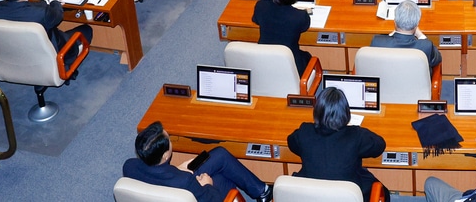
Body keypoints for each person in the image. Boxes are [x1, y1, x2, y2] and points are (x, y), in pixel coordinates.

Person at [125, 122, 271, 202]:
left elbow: (161, 179)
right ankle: (262, 192)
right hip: (192, 192)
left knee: (219, 155)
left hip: (167, 182)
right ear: (164, 156)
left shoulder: (129, 166)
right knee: (220, 177)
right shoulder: (185, 181)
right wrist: (207, 185)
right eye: (169, 141)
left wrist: (177, 170)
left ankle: (261, 190)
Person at [288, 87, 387, 199]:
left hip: (309, 196)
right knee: (381, 190)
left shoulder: (304, 132)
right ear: (345, 112)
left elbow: (291, 143)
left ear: (317, 110)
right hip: (347, 195)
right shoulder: (356, 135)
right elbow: (380, 145)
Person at [0, 0, 92, 69]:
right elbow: (57, 16)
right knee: (86, 30)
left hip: (16, 54)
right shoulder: (41, 13)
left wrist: (46, 3)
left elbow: (26, 9)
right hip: (52, 54)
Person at [253, 0, 311, 73]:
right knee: (307, 57)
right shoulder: (300, 16)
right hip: (290, 65)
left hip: (264, 62)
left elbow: (255, 19)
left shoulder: (260, 7)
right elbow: (305, 26)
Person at [369, 0, 441, 69]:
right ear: (417, 24)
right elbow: (437, 58)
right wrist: (420, 35)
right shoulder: (426, 46)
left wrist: (390, 35)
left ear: (395, 21)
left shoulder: (377, 42)